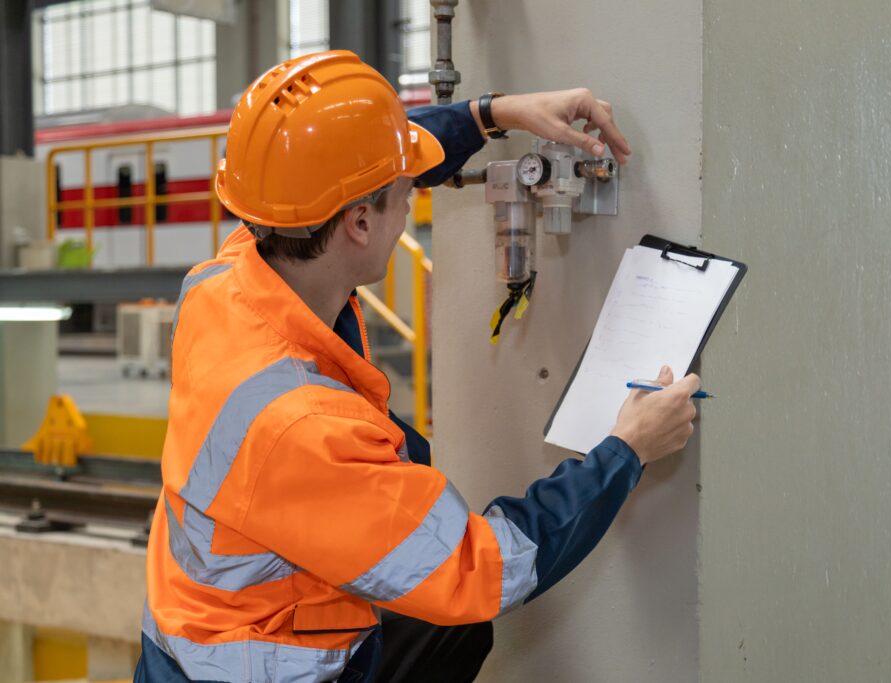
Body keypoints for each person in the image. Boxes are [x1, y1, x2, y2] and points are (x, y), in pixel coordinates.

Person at [134, 50, 700, 683]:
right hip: (255, 668)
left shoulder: (223, 278)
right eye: (404, 194)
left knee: (445, 629)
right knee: (456, 603)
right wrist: (625, 450)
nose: (412, 203)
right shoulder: (307, 428)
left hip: (196, 630)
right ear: (358, 223)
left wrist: (494, 114)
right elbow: (484, 568)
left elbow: (352, 170)